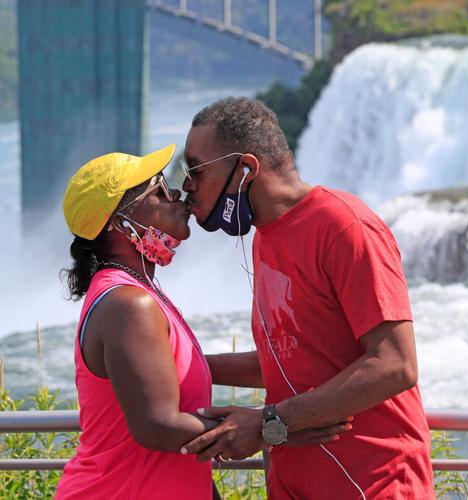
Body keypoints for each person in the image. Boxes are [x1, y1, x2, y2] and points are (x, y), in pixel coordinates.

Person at [57, 146, 348, 499]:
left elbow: (174, 440)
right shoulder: (129, 304)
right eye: (160, 191)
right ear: (121, 223)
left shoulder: (139, 294)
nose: (176, 195)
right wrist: (273, 427)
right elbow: (157, 426)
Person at [180, 97, 435, 499]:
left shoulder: (344, 226)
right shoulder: (265, 237)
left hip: (373, 484)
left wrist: (267, 423)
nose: (187, 187)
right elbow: (291, 358)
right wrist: (184, 368)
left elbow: (395, 365)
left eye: (196, 170)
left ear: (245, 169)